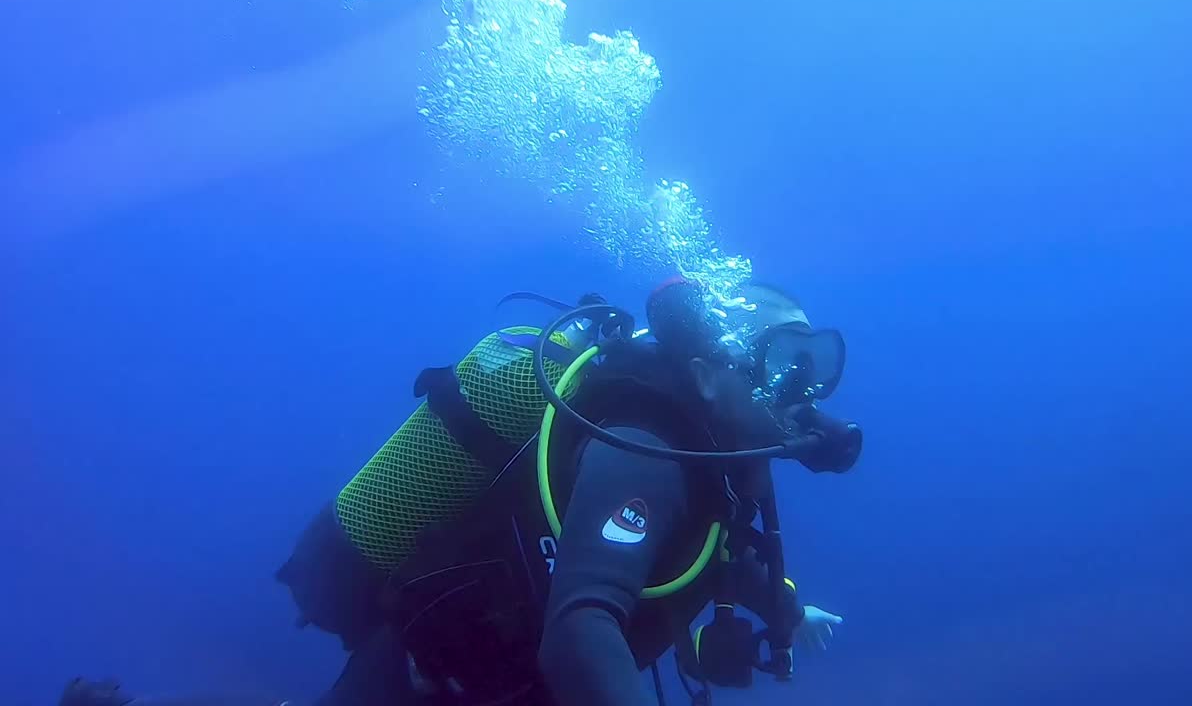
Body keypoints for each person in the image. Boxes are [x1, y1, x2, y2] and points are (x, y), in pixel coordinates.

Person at [63, 278, 862, 706]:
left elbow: (702, 562)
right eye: (781, 359)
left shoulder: (713, 467)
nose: (802, 389)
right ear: (703, 373)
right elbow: (583, 626)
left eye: (814, 365)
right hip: (436, 667)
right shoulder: (649, 451)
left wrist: (789, 608)